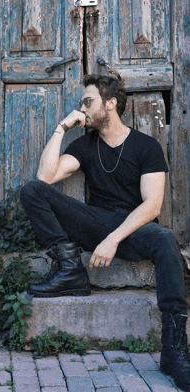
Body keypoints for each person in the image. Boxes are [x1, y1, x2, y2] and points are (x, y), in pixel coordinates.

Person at [20, 74, 190, 391]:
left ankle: (174, 350)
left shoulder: (146, 146)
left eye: (88, 101)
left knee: (165, 239)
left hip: (133, 229)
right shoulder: (85, 145)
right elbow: (45, 178)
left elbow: (153, 206)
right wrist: (62, 128)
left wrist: (114, 239)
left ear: (110, 104)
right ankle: (70, 269)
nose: (82, 108)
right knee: (32, 190)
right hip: (95, 222)